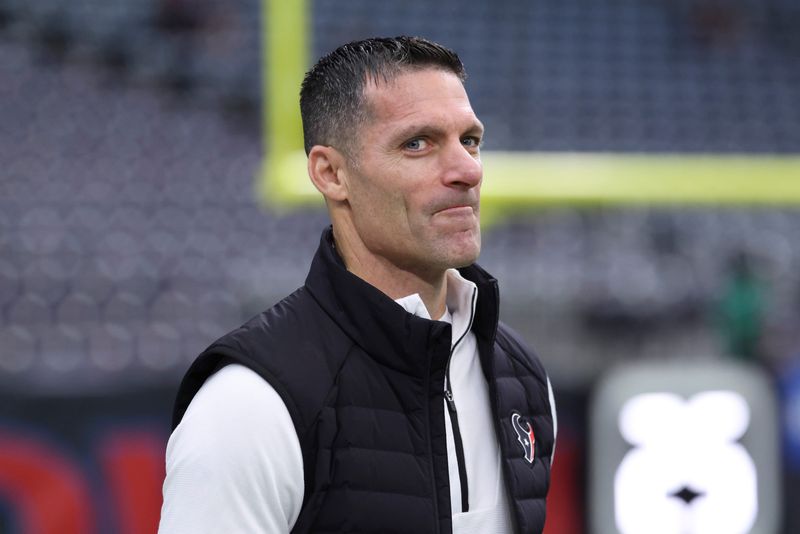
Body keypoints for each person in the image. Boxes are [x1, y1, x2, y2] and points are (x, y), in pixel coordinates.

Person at [159, 36, 556, 534]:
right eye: (417, 144)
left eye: (470, 141)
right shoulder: (247, 404)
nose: (467, 170)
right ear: (331, 173)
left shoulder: (521, 376)